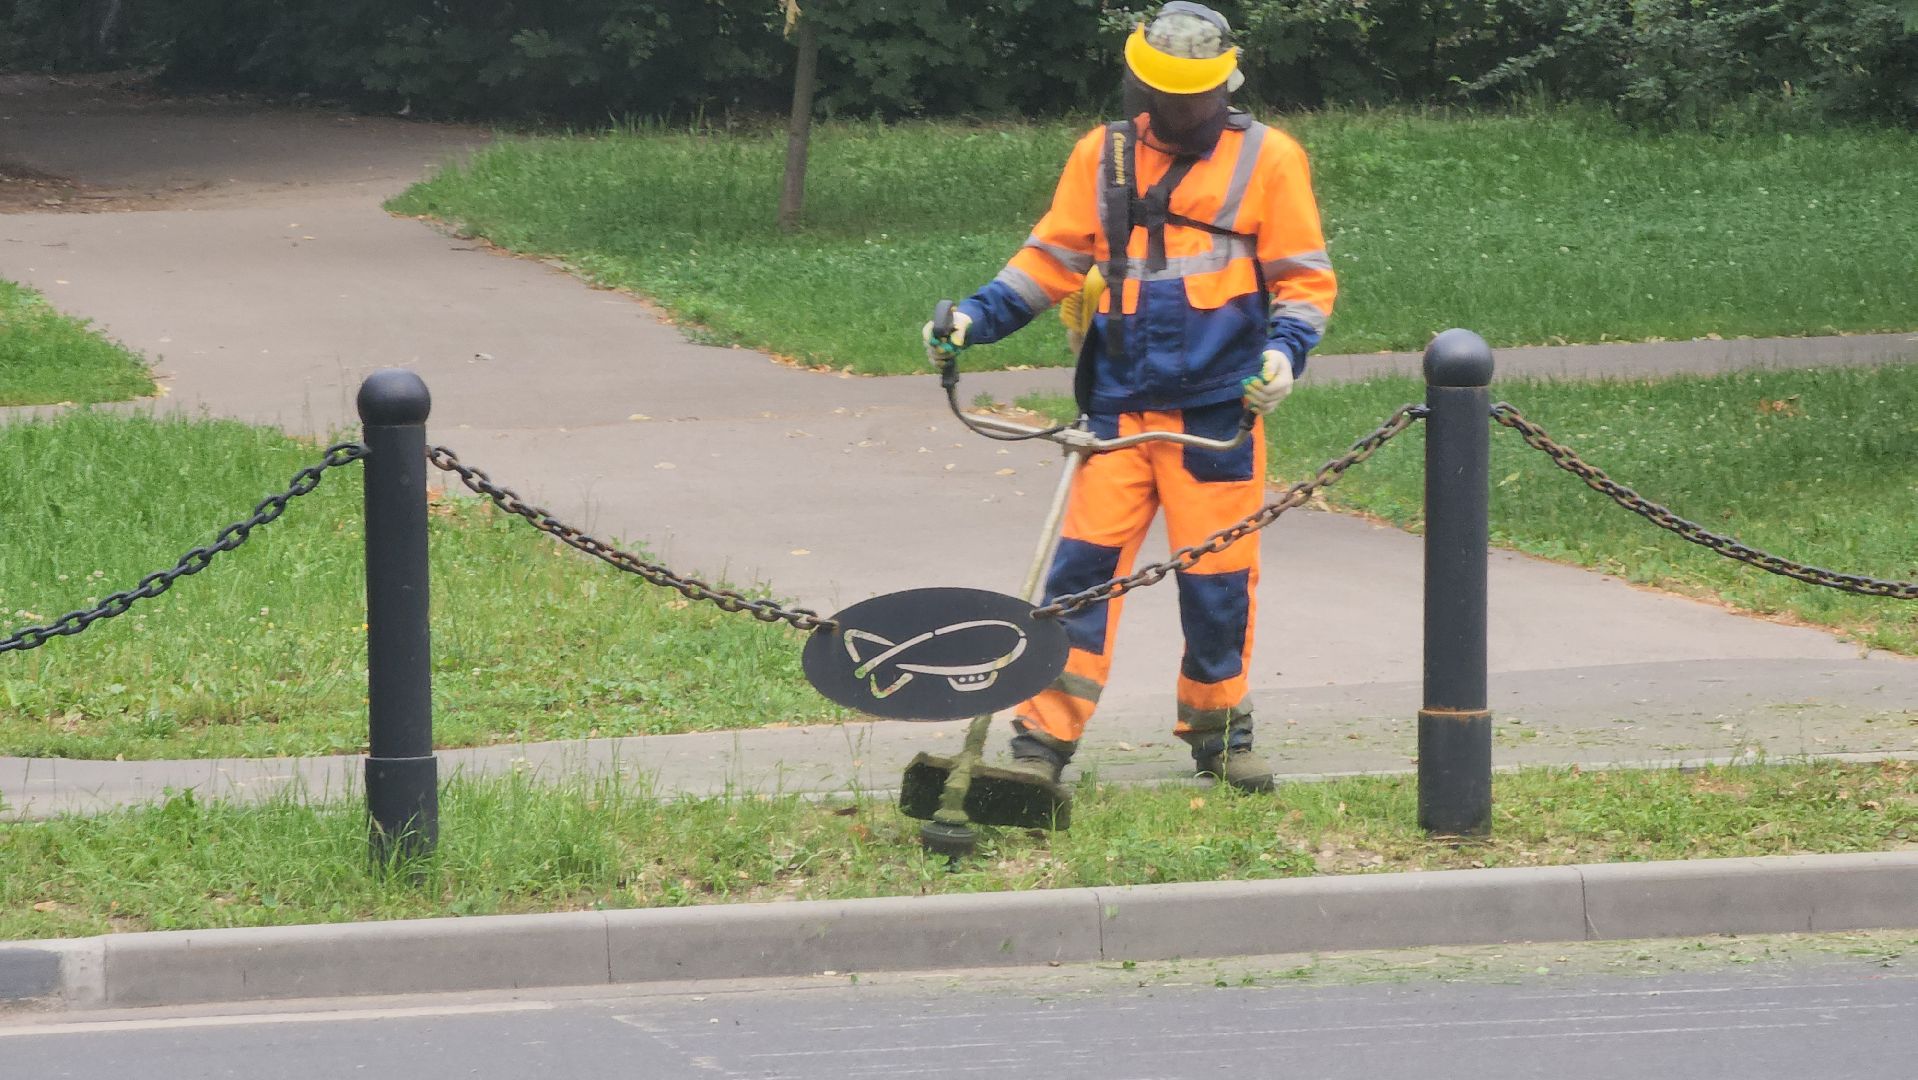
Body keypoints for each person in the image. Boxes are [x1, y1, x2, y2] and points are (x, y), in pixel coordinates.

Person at [922, 2, 1337, 793]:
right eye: (1160, 93)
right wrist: (975, 317)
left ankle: (1220, 734)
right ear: (1137, 82)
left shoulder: (1270, 160)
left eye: (1191, 96)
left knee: (1218, 583)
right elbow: (1048, 260)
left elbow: (1304, 280)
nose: (1174, 110)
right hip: (1116, 410)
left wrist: (1284, 357)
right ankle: (1042, 739)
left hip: (1217, 413)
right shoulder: (1102, 156)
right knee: (1079, 578)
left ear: (1224, 87)